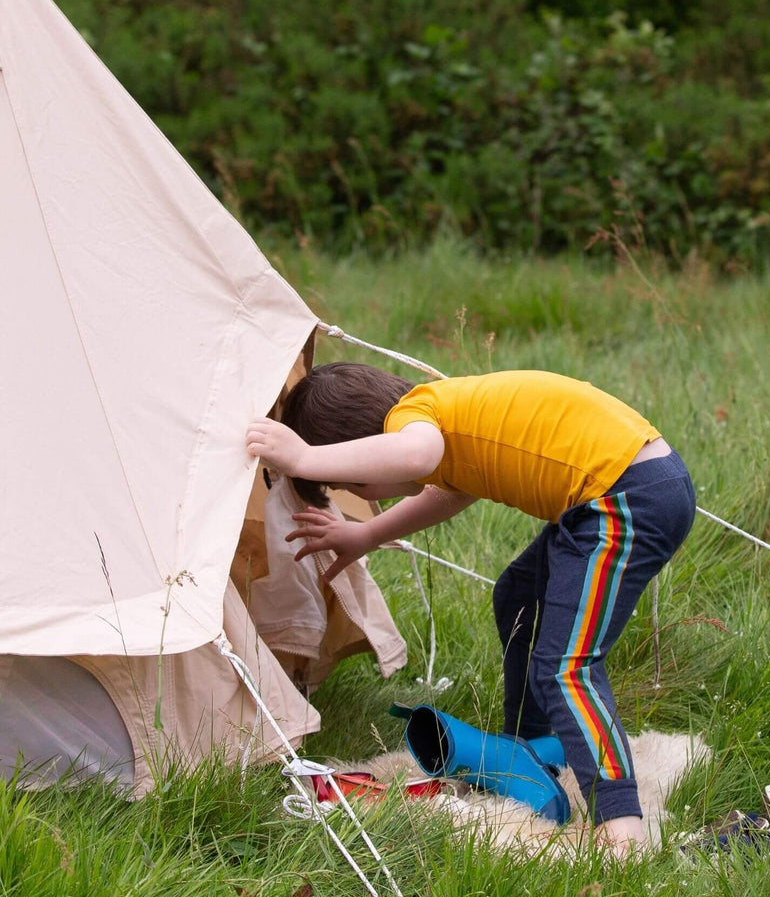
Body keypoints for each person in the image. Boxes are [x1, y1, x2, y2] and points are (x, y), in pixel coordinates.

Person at [245, 364, 696, 855]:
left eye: (355, 482)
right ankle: (528, 747)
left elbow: (416, 453)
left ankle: (621, 829)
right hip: (620, 491)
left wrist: (306, 456)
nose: (361, 494)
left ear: (365, 443)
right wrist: (367, 535)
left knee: (567, 666)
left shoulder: (414, 419)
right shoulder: (443, 420)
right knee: (518, 596)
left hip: (628, 497)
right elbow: (452, 490)